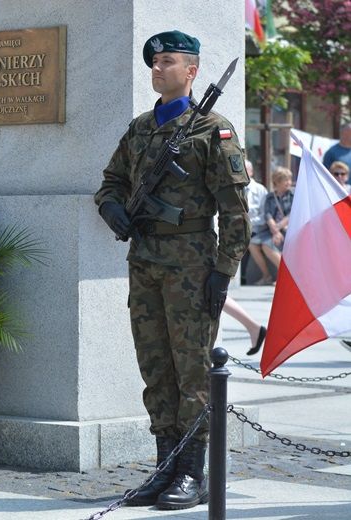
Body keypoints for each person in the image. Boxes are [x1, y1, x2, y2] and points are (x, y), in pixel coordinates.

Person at [94, 31, 250, 510]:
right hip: (144, 262)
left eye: (167, 62)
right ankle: (164, 466)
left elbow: (237, 212)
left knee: (193, 372)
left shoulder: (212, 130)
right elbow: (111, 182)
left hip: (191, 265)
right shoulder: (140, 128)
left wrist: (222, 272)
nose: (158, 69)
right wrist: (112, 210)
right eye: (155, 62)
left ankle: (191, 472)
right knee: (156, 367)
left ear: (192, 71)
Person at [247, 166, 293, 285]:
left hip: (287, 228)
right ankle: (266, 275)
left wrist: (277, 229)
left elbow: (291, 215)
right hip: (272, 229)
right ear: (277, 182)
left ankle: (285, 276)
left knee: (267, 245)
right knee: (252, 244)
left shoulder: (292, 196)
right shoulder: (270, 197)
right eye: (285, 179)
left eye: (289, 179)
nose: (289, 182)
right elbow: (267, 215)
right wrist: (275, 231)